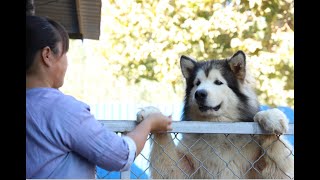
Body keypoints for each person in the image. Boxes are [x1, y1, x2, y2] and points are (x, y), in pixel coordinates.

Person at [26, 15, 172, 179]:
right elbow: (120, 155)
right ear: (47, 55)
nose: (67, 62)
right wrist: (150, 123)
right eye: (64, 52)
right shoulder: (61, 109)